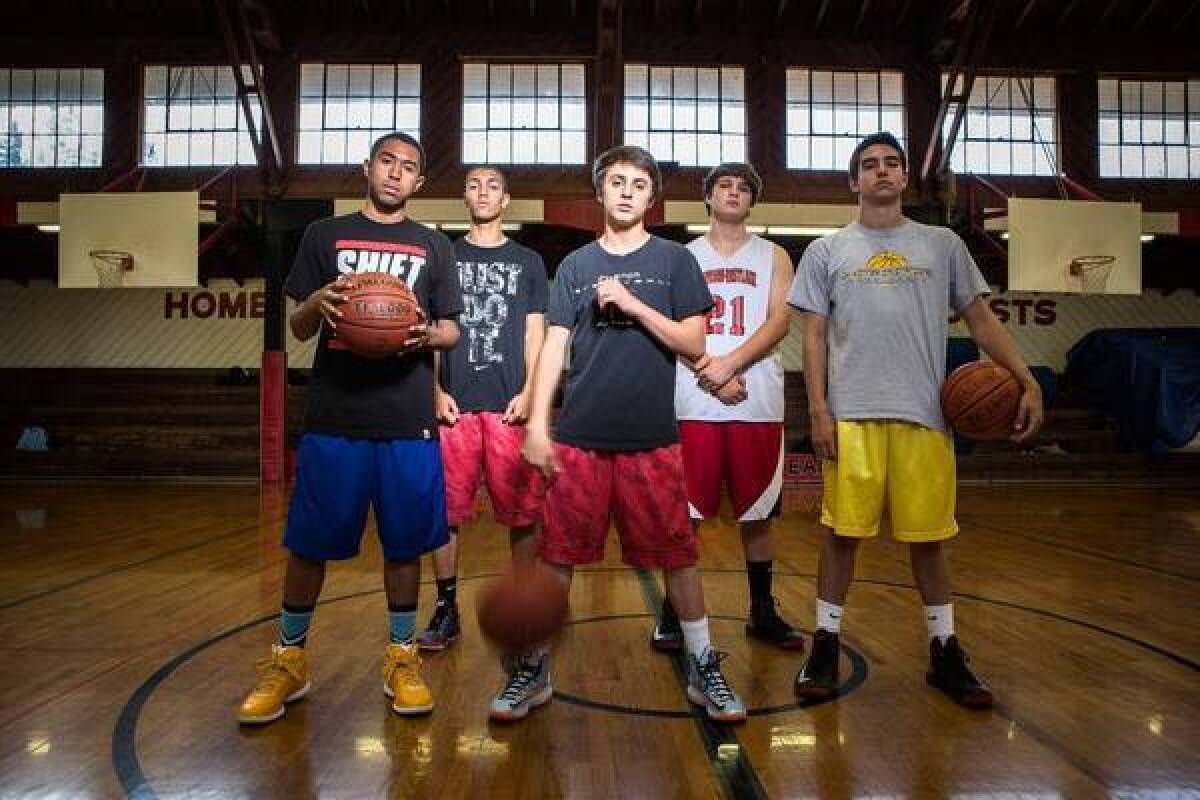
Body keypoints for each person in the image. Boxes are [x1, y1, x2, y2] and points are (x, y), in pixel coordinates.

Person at [789, 131, 1044, 708]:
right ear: (853, 182)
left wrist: (1025, 379)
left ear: (904, 178)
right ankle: (824, 643)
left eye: (891, 164)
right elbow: (814, 339)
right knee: (840, 535)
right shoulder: (826, 252)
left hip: (926, 415)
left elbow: (981, 322)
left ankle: (945, 650)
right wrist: (819, 411)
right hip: (851, 414)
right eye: (869, 165)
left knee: (929, 541)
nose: (881, 172)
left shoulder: (942, 244)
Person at [507, 145, 747, 724]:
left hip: (651, 440)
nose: (626, 191)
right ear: (600, 193)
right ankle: (535, 667)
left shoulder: (674, 262)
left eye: (639, 184)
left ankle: (701, 664)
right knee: (556, 558)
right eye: (616, 181)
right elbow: (555, 349)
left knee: (680, 559)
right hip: (582, 439)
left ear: (651, 198)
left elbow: (693, 344)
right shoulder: (575, 267)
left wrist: (634, 303)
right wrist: (540, 424)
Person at [237, 132, 463, 724]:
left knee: (406, 544)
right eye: (387, 162)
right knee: (309, 544)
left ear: (420, 182)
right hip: (335, 414)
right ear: (367, 168)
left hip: (408, 416)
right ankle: (289, 660)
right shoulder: (323, 235)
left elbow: (452, 330)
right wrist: (314, 303)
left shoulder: (434, 246)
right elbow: (300, 325)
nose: (396, 173)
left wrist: (424, 332)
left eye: (409, 167)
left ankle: (402, 656)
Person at [653, 161, 803, 653]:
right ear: (708, 197)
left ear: (752, 201)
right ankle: (673, 612)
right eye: (725, 186)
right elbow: (673, 325)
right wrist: (710, 371)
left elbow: (780, 321)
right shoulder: (680, 256)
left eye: (744, 187)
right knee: (686, 512)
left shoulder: (776, 255)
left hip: (756, 397)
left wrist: (730, 365)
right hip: (692, 398)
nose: (734, 193)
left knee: (758, 512)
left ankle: (762, 610)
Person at [417, 166, 548, 650]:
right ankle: (446, 608)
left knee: (523, 514)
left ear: (506, 199)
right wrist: (433, 390)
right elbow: (429, 328)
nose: (483, 192)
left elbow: (536, 334)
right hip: (454, 406)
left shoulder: (528, 260)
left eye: (493, 185)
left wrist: (532, 391)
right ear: (464, 196)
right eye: (474, 185)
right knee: (445, 513)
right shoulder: (441, 253)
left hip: (510, 406)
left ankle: (526, 605)